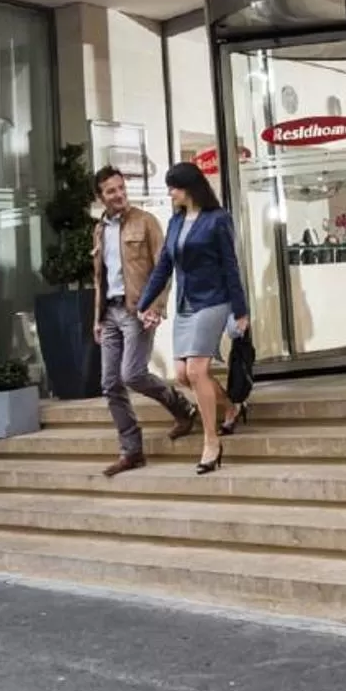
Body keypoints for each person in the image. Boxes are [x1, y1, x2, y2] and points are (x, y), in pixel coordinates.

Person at [140, 163, 250, 474]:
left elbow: (231, 266)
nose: (170, 192)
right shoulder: (175, 223)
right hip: (186, 304)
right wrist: (144, 302)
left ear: (189, 187)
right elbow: (163, 266)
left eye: (173, 186)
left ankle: (211, 443)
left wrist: (240, 311)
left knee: (197, 369)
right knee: (182, 375)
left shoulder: (217, 220)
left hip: (214, 301)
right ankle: (229, 406)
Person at [90, 165, 195, 477]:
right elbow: (100, 278)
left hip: (138, 309)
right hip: (109, 313)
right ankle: (132, 451)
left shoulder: (146, 222)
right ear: (100, 197)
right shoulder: (99, 229)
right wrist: (96, 318)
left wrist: (157, 306)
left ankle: (182, 407)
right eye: (111, 191)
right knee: (110, 384)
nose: (119, 194)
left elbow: (165, 267)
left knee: (132, 374)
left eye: (121, 188)